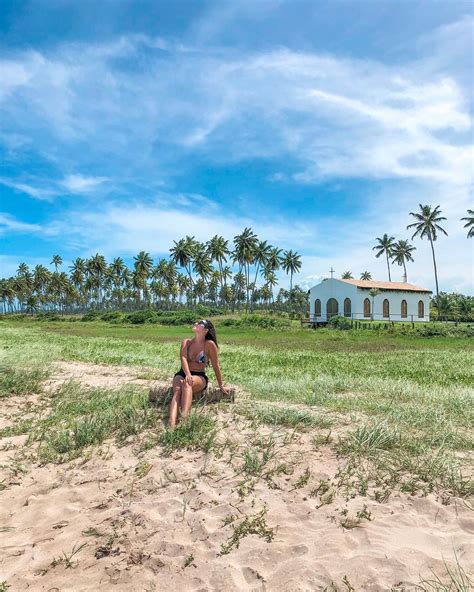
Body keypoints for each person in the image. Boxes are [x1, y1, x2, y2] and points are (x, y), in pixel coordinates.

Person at [169, 319, 229, 428]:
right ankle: (171, 424)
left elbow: (216, 366)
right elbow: (183, 358)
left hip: (199, 376)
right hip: (183, 372)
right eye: (196, 322)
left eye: (200, 323)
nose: (196, 324)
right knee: (177, 391)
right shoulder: (186, 342)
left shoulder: (209, 345)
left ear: (206, 330)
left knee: (187, 384)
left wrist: (220, 385)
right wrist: (187, 374)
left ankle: (184, 421)